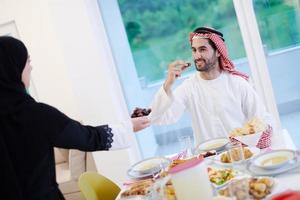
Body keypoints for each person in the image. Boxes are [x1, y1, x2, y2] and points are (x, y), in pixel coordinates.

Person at [0, 36, 150, 200]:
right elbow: (87, 137)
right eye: (27, 61)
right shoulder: (36, 114)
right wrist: (129, 126)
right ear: (12, 68)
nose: (31, 67)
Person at [149, 26, 273, 145]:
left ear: (218, 52)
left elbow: (262, 119)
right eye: (194, 50)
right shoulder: (188, 88)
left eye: (202, 49)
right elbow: (160, 117)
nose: (197, 56)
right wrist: (168, 84)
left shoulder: (237, 83)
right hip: (208, 160)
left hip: (240, 154)